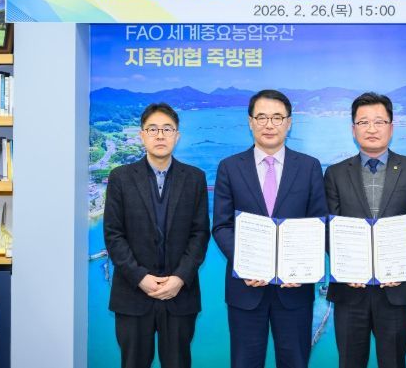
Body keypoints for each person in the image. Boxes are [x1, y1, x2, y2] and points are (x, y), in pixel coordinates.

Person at [213, 89, 328, 368]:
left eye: (277, 117)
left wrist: (302, 267)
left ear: (289, 122)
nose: (269, 124)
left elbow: (319, 223)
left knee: (295, 362)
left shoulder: (309, 167)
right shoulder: (229, 167)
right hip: (245, 289)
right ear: (250, 121)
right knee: (245, 363)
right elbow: (222, 226)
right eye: (261, 117)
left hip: (295, 289)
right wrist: (246, 264)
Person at [324, 92, 406, 368]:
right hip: (350, 290)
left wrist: (400, 266)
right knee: (349, 362)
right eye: (363, 122)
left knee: (394, 362)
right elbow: (328, 228)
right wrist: (347, 267)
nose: (371, 129)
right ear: (353, 129)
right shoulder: (335, 173)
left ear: (391, 127)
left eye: (379, 122)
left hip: (396, 290)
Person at [103, 102, 210, 368]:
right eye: (153, 129)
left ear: (177, 135)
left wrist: (179, 278)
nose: (160, 135)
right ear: (142, 135)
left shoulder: (195, 178)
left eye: (167, 129)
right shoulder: (120, 178)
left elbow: (200, 234)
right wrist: (140, 277)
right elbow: (114, 235)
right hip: (132, 295)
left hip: (179, 296)